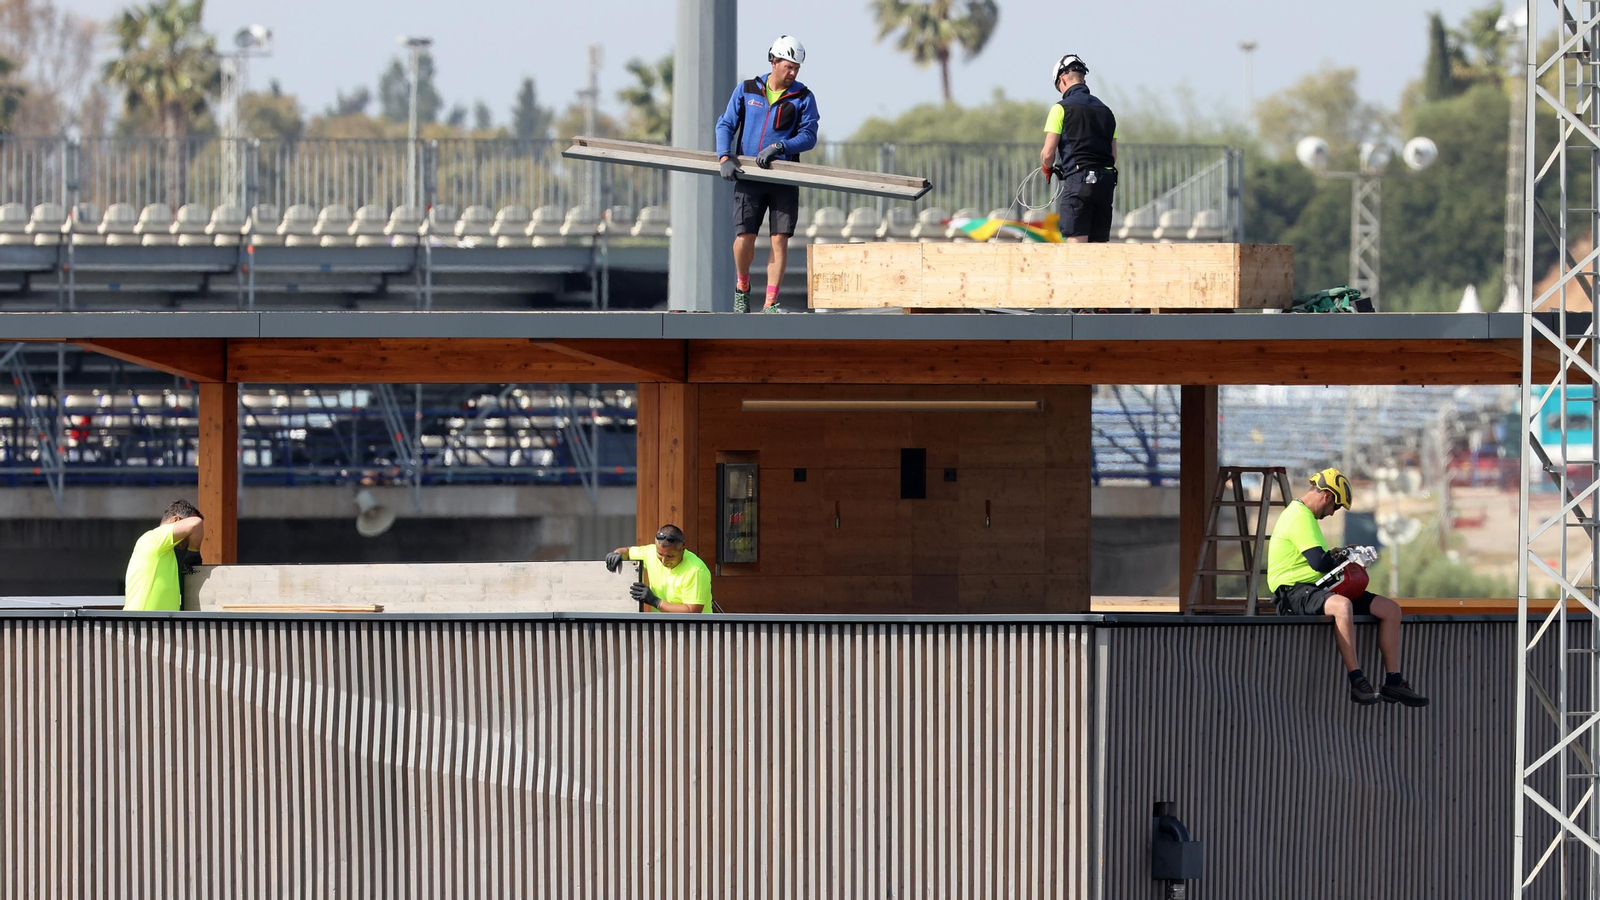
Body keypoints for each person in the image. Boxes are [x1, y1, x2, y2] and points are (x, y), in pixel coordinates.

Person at [1266, 468, 1428, 707]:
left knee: (1390, 609)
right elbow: (1319, 563)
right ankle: (1357, 681)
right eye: (1337, 507)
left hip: (1315, 587)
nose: (1332, 513)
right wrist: (1346, 558)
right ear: (1327, 496)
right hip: (1293, 591)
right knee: (1343, 606)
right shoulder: (1298, 516)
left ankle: (1393, 681)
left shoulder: (1305, 517)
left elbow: (1320, 558)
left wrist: (1340, 555)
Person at [715, 34, 821, 314]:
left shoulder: (803, 97)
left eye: (797, 68)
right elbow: (725, 124)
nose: (793, 72)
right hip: (749, 177)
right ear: (773, 61)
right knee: (744, 239)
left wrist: (780, 146)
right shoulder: (748, 89)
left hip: (783, 178)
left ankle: (771, 302)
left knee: (779, 239)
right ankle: (742, 286)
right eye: (788, 66)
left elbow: (809, 136)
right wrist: (725, 156)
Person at [1038, 54, 1119, 243]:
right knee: (1099, 250)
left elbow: (1048, 153)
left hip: (1079, 182)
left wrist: (1047, 167)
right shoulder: (1107, 111)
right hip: (1106, 183)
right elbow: (1113, 156)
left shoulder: (1060, 109)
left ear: (1062, 80)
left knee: (1076, 250)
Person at [605, 524, 714, 614]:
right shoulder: (650, 553)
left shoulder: (695, 570)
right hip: (662, 629)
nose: (663, 560)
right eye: (660, 554)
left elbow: (692, 612)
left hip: (696, 632)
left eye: (670, 556)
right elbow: (627, 551)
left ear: (683, 549)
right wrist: (616, 554)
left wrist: (654, 601)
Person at [123, 499, 204, 611]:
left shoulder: (163, 548)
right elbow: (195, 523)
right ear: (176, 520)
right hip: (143, 622)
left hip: (154, 623)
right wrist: (193, 552)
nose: (189, 538)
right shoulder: (155, 537)